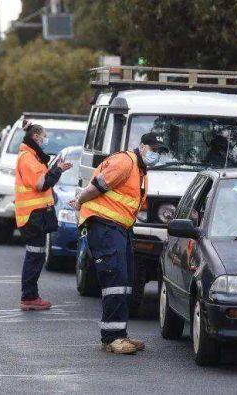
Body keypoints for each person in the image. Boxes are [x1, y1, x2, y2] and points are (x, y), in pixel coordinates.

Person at [71, 133, 168, 355]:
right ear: (142, 147)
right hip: (105, 227)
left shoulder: (141, 170)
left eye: (160, 151)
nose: (156, 154)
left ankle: (119, 333)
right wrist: (79, 201)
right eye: (153, 149)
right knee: (114, 280)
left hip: (119, 228)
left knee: (124, 281)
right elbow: (97, 185)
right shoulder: (125, 162)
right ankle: (111, 338)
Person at [16, 121, 72, 311]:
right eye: (44, 136)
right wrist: (59, 170)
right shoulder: (28, 158)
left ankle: (30, 296)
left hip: (36, 215)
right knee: (34, 256)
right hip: (32, 216)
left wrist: (54, 169)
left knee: (36, 256)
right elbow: (41, 184)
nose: (46, 139)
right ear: (36, 137)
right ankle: (29, 297)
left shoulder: (33, 157)